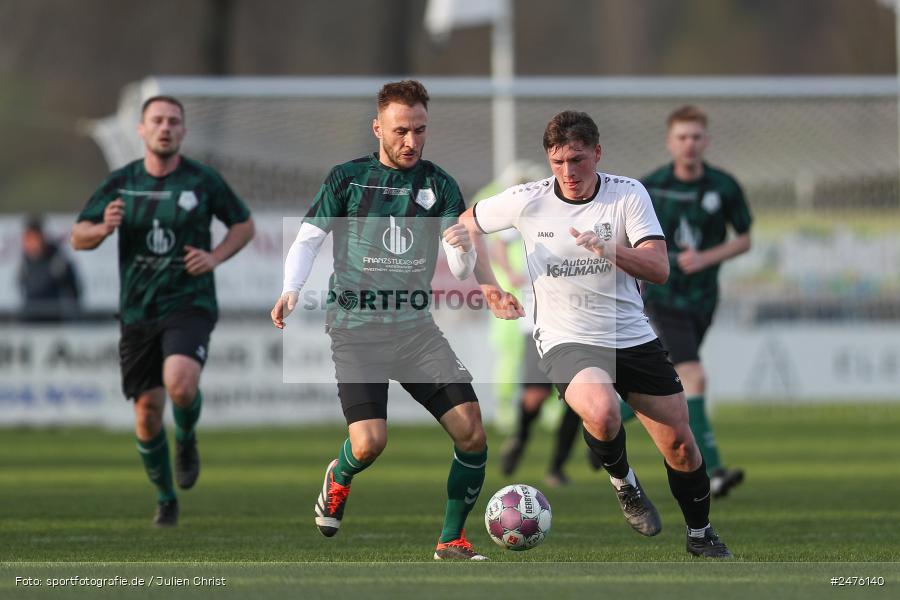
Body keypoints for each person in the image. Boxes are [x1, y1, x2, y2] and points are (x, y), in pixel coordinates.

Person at [462, 110, 732, 558]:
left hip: (631, 335)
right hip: (565, 337)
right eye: (558, 162)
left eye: (577, 160)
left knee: (681, 446)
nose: (568, 172)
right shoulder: (527, 199)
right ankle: (624, 483)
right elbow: (466, 223)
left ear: (597, 154)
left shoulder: (628, 195)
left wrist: (610, 249)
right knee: (603, 411)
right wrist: (489, 285)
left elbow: (660, 268)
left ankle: (700, 533)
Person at [271, 80, 495, 560]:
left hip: (416, 332)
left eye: (419, 130)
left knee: (472, 432)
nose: (411, 141)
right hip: (357, 331)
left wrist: (462, 249)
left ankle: (451, 540)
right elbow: (308, 239)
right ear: (378, 128)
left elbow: (459, 266)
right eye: (400, 131)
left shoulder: (441, 184)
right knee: (370, 443)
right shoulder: (347, 179)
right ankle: (341, 474)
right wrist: (291, 289)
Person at [71, 95, 255, 527]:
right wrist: (103, 227)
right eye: (157, 121)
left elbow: (244, 226)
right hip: (138, 311)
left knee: (180, 382)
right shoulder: (122, 182)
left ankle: (186, 438)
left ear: (183, 131)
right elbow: (79, 235)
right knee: (147, 412)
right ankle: (165, 496)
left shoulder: (202, 180)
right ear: (141, 129)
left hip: (189, 302)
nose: (165, 127)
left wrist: (214, 257)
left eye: (173, 121)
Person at [620, 105, 752, 498]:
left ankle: (609, 417)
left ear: (705, 141)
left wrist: (706, 258)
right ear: (670, 142)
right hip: (663, 295)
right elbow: (628, 238)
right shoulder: (650, 186)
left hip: (703, 297)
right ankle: (712, 471)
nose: (689, 144)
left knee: (674, 377)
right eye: (682, 137)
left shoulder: (724, 186)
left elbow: (744, 238)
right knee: (694, 375)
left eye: (696, 137)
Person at [477, 162, 582, 487]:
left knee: (580, 401)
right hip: (537, 324)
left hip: (578, 323)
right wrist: (508, 275)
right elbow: (494, 239)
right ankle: (520, 439)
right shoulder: (531, 209)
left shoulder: (585, 215)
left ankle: (557, 467)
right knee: (534, 396)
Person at [17, 216, 81, 322]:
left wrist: (74, 317)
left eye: (31, 238)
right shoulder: (25, 263)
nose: (27, 243)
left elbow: (74, 292)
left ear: (40, 237)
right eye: (26, 239)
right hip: (29, 322)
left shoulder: (57, 262)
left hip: (53, 322)